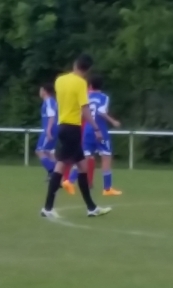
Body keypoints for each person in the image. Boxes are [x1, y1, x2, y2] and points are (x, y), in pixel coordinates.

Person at [40, 54, 111, 219]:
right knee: (60, 166)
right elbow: (84, 108)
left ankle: (91, 208)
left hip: (62, 126)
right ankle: (48, 208)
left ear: (75, 64)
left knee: (82, 167)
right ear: (88, 69)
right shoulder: (81, 83)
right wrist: (96, 128)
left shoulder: (60, 80)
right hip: (72, 128)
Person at [67, 75, 123, 196]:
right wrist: (113, 121)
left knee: (85, 158)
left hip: (88, 130)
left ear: (90, 86)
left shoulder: (87, 96)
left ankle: (70, 181)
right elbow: (101, 112)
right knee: (106, 156)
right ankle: (107, 188)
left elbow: (82, 113)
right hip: (100, 130)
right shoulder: (104, 97)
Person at [36, 83, 73, 195]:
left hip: (50, 129)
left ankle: (53, 174)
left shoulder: (48, 101)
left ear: (44, 91)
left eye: (41, 90)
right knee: (50, 153)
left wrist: (48, 130)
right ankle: (59, 177)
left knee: (39, 151)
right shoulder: (52, 101)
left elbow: (51, 116)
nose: (39, 92)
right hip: (54, 128)